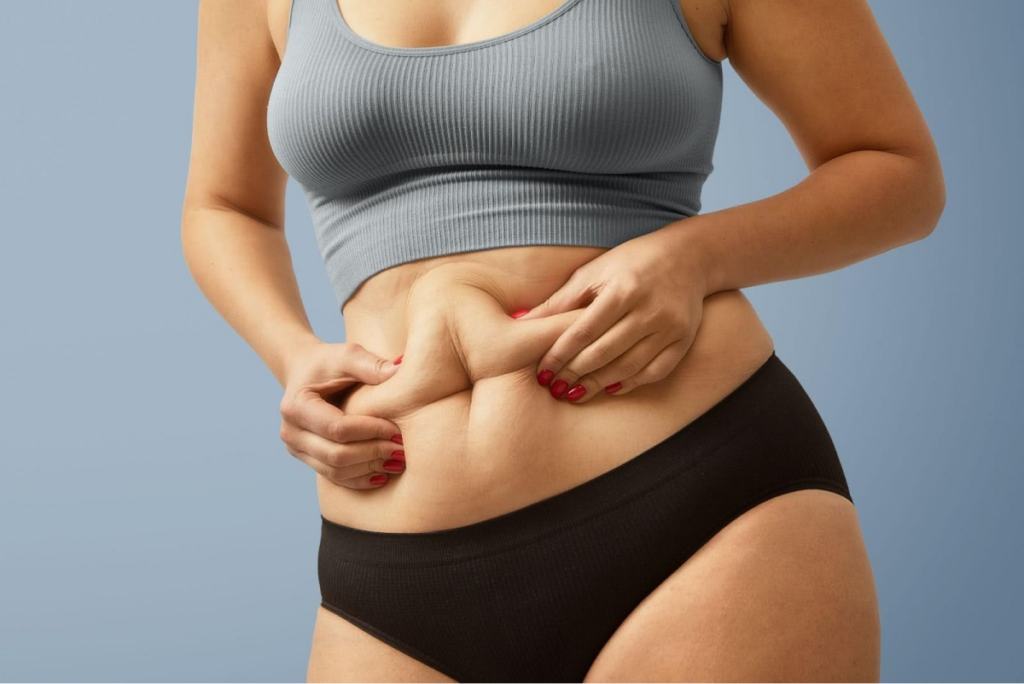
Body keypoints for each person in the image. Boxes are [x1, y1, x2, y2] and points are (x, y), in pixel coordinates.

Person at [181, 0, 945, 681]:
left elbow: (895, 169)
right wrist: (291, 354)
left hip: (700, 513)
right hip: (390, 578)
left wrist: (696, 255)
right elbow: (223, 205)